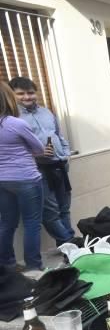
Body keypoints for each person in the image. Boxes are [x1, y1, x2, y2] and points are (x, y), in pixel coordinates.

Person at [11, 77, 75, 245]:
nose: (27, 97)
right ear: (12, 95)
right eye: (21, 94)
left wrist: (66, 153)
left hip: (60, 166)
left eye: (31, 93)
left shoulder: (46, 112)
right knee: (50, 213)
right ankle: (71, 243)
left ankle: (68, 251)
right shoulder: (12, 118)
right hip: (37, 170)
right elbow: (12, 150)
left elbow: (59, 135)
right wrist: (36, 155)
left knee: (64, 209)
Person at [0, 82, 45, 271]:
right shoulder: (16, 124)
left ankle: (7, 265)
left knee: (6, 223)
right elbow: (39, 149)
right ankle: (34, 266)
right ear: (9, 99)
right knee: (32, 223)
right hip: (26, 179)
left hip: (2, 181)